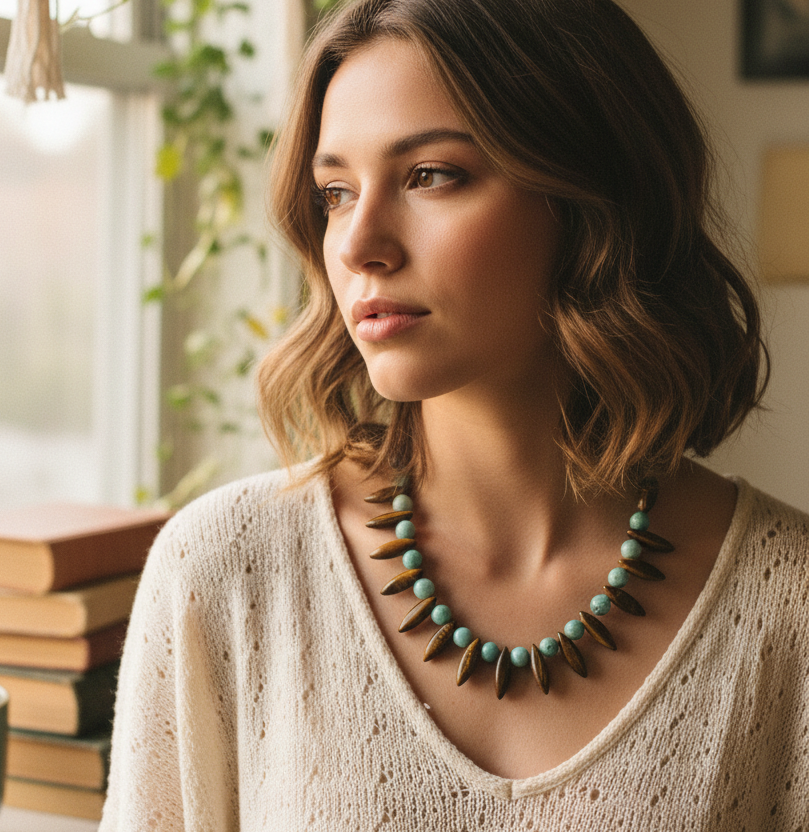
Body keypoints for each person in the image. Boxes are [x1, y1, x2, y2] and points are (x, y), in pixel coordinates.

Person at [100, 0, 809, 828]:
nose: (360, 243)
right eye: (333, 192)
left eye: (431, 175)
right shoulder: (224, 572)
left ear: (591, 204)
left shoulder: (786, 609)